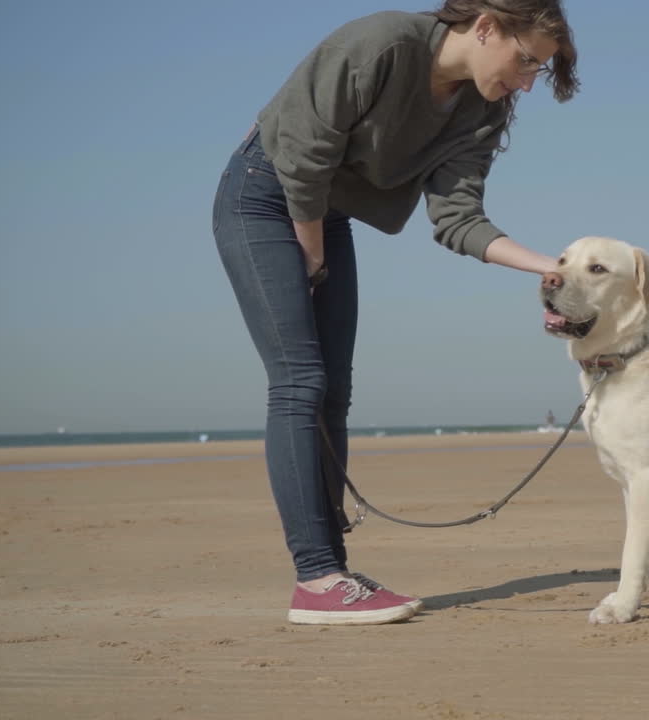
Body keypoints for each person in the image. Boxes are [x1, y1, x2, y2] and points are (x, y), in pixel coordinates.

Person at [212, 1, 579, 625]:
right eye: (524, 62)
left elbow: (458, 219)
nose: (524, 83)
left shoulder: (481, 112)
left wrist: (552, 266)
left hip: (324, 213)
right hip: (264, 196)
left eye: (536, 73)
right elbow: (302, 155)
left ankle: (332, 569)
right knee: (301, 381)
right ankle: (317, 579)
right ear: (486, 24)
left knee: (335, 393)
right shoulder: (381, 44)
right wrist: (311, 256)